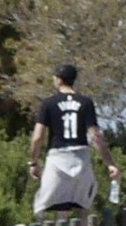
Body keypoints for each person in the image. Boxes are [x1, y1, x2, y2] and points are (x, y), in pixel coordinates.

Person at [28, 64, 118, 213]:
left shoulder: (48, 103)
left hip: (57, 157)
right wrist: (110, 164)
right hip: (80, 156)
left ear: (59, 80)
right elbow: (95, 136)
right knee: (81, 206)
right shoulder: (86, 102)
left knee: (46, 206)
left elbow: (38, 137)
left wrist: (33, 162)